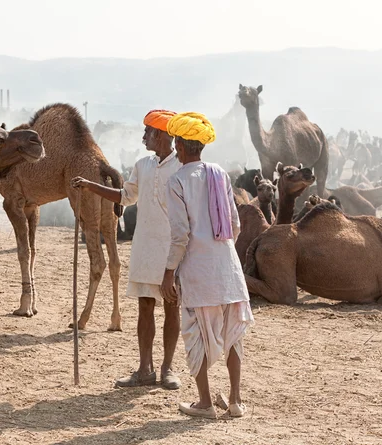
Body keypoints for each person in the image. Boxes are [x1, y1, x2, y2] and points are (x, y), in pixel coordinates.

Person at [71, 109, 182, 390]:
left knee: (172, 306)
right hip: (145, 246)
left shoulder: (183, 166)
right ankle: (145, 369)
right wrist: (90, 187)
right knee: (145, 306)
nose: (144, 136)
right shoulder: (143, 165)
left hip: (172, 248)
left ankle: (167, 369)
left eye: (148, 131)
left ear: (162, 135)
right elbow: (126, 197)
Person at [160, 112, 254, 419]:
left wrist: (169, 272)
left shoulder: (177, 181)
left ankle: (204, 403)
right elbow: (235, 224)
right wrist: (221, 251)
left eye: (176, 142)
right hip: (228, 269)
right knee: (233, 335)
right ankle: (236, 401)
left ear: (183, 147)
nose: (174, 148)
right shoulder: (220, 174)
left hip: (198, 272)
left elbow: (180, 234)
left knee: (195, 333)